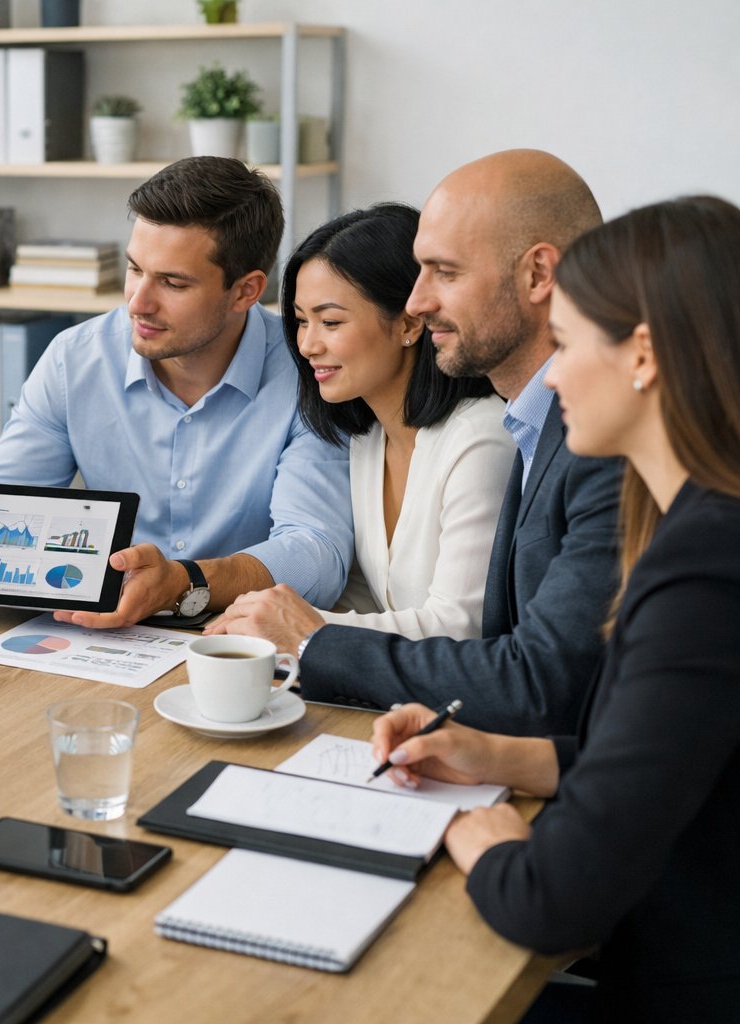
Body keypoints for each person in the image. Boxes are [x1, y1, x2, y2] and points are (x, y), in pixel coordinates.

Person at [373, 196, 740, 1019]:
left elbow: (554, 901)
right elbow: (677, 755)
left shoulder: (705, 566)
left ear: (643, 355)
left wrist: (481, 839)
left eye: (568, 345)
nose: (556, 374)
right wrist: (497, 757)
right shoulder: (697, 521)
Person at [213, 150, 622, 735]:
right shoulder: (370, 434)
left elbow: (506, 654)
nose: (420, 300)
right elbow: (359, 591)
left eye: (445, 273)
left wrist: (304, 634)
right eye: (300, 322)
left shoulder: (522, 437)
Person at [0, 157, 353, 626]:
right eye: (135, 269)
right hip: (101, 637)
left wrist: (185, 581)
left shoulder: (309, 371)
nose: (138, 302)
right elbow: (3, 501)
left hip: (239, 643)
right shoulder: (74, 360)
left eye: (172, 282)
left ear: (246, 292)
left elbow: (317, 553)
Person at [217, 204, 512, 640]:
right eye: (301, 321)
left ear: (410, 323)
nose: (307, 345)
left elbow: (460, 627)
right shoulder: (369, 438)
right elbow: (369, 600)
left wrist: (298, 626)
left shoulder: (480, 438)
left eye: (331, 321)